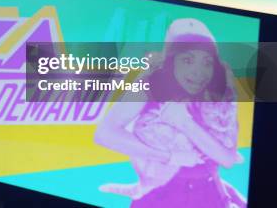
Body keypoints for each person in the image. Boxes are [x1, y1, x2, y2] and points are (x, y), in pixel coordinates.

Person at [94, 18, 246, 207]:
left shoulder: (221, 89)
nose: (199, 72)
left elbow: (227, 158)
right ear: (170, 60)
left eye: (206, 63)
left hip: (209, 193)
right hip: (158, 195)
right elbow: (105, 134)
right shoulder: (147, 82)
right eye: (188, 60)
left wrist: (185, 124)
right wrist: (169, 156)